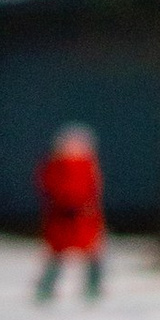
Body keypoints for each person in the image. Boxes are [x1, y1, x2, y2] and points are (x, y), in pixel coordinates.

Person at [34, 122, 106, 301]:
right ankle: (47, 288)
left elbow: (92, 189)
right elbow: (49, 185)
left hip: (81, 217)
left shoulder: (86, 166)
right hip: (63, 217)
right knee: (59, 253)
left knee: (90, 252)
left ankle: (92, 287)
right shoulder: (57, 165)